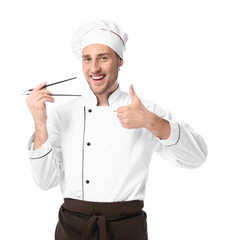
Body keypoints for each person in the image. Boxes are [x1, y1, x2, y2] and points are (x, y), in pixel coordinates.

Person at [26, 20, 208, 240]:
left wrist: (152, 122)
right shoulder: (63, 114)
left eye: (103, 58)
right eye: (87, 59)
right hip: (73, 228)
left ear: (120, 61)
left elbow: (197, 157)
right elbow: (45, 181)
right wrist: (39, 121)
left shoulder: (144, 109)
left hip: (126, 229)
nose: (94, 68)